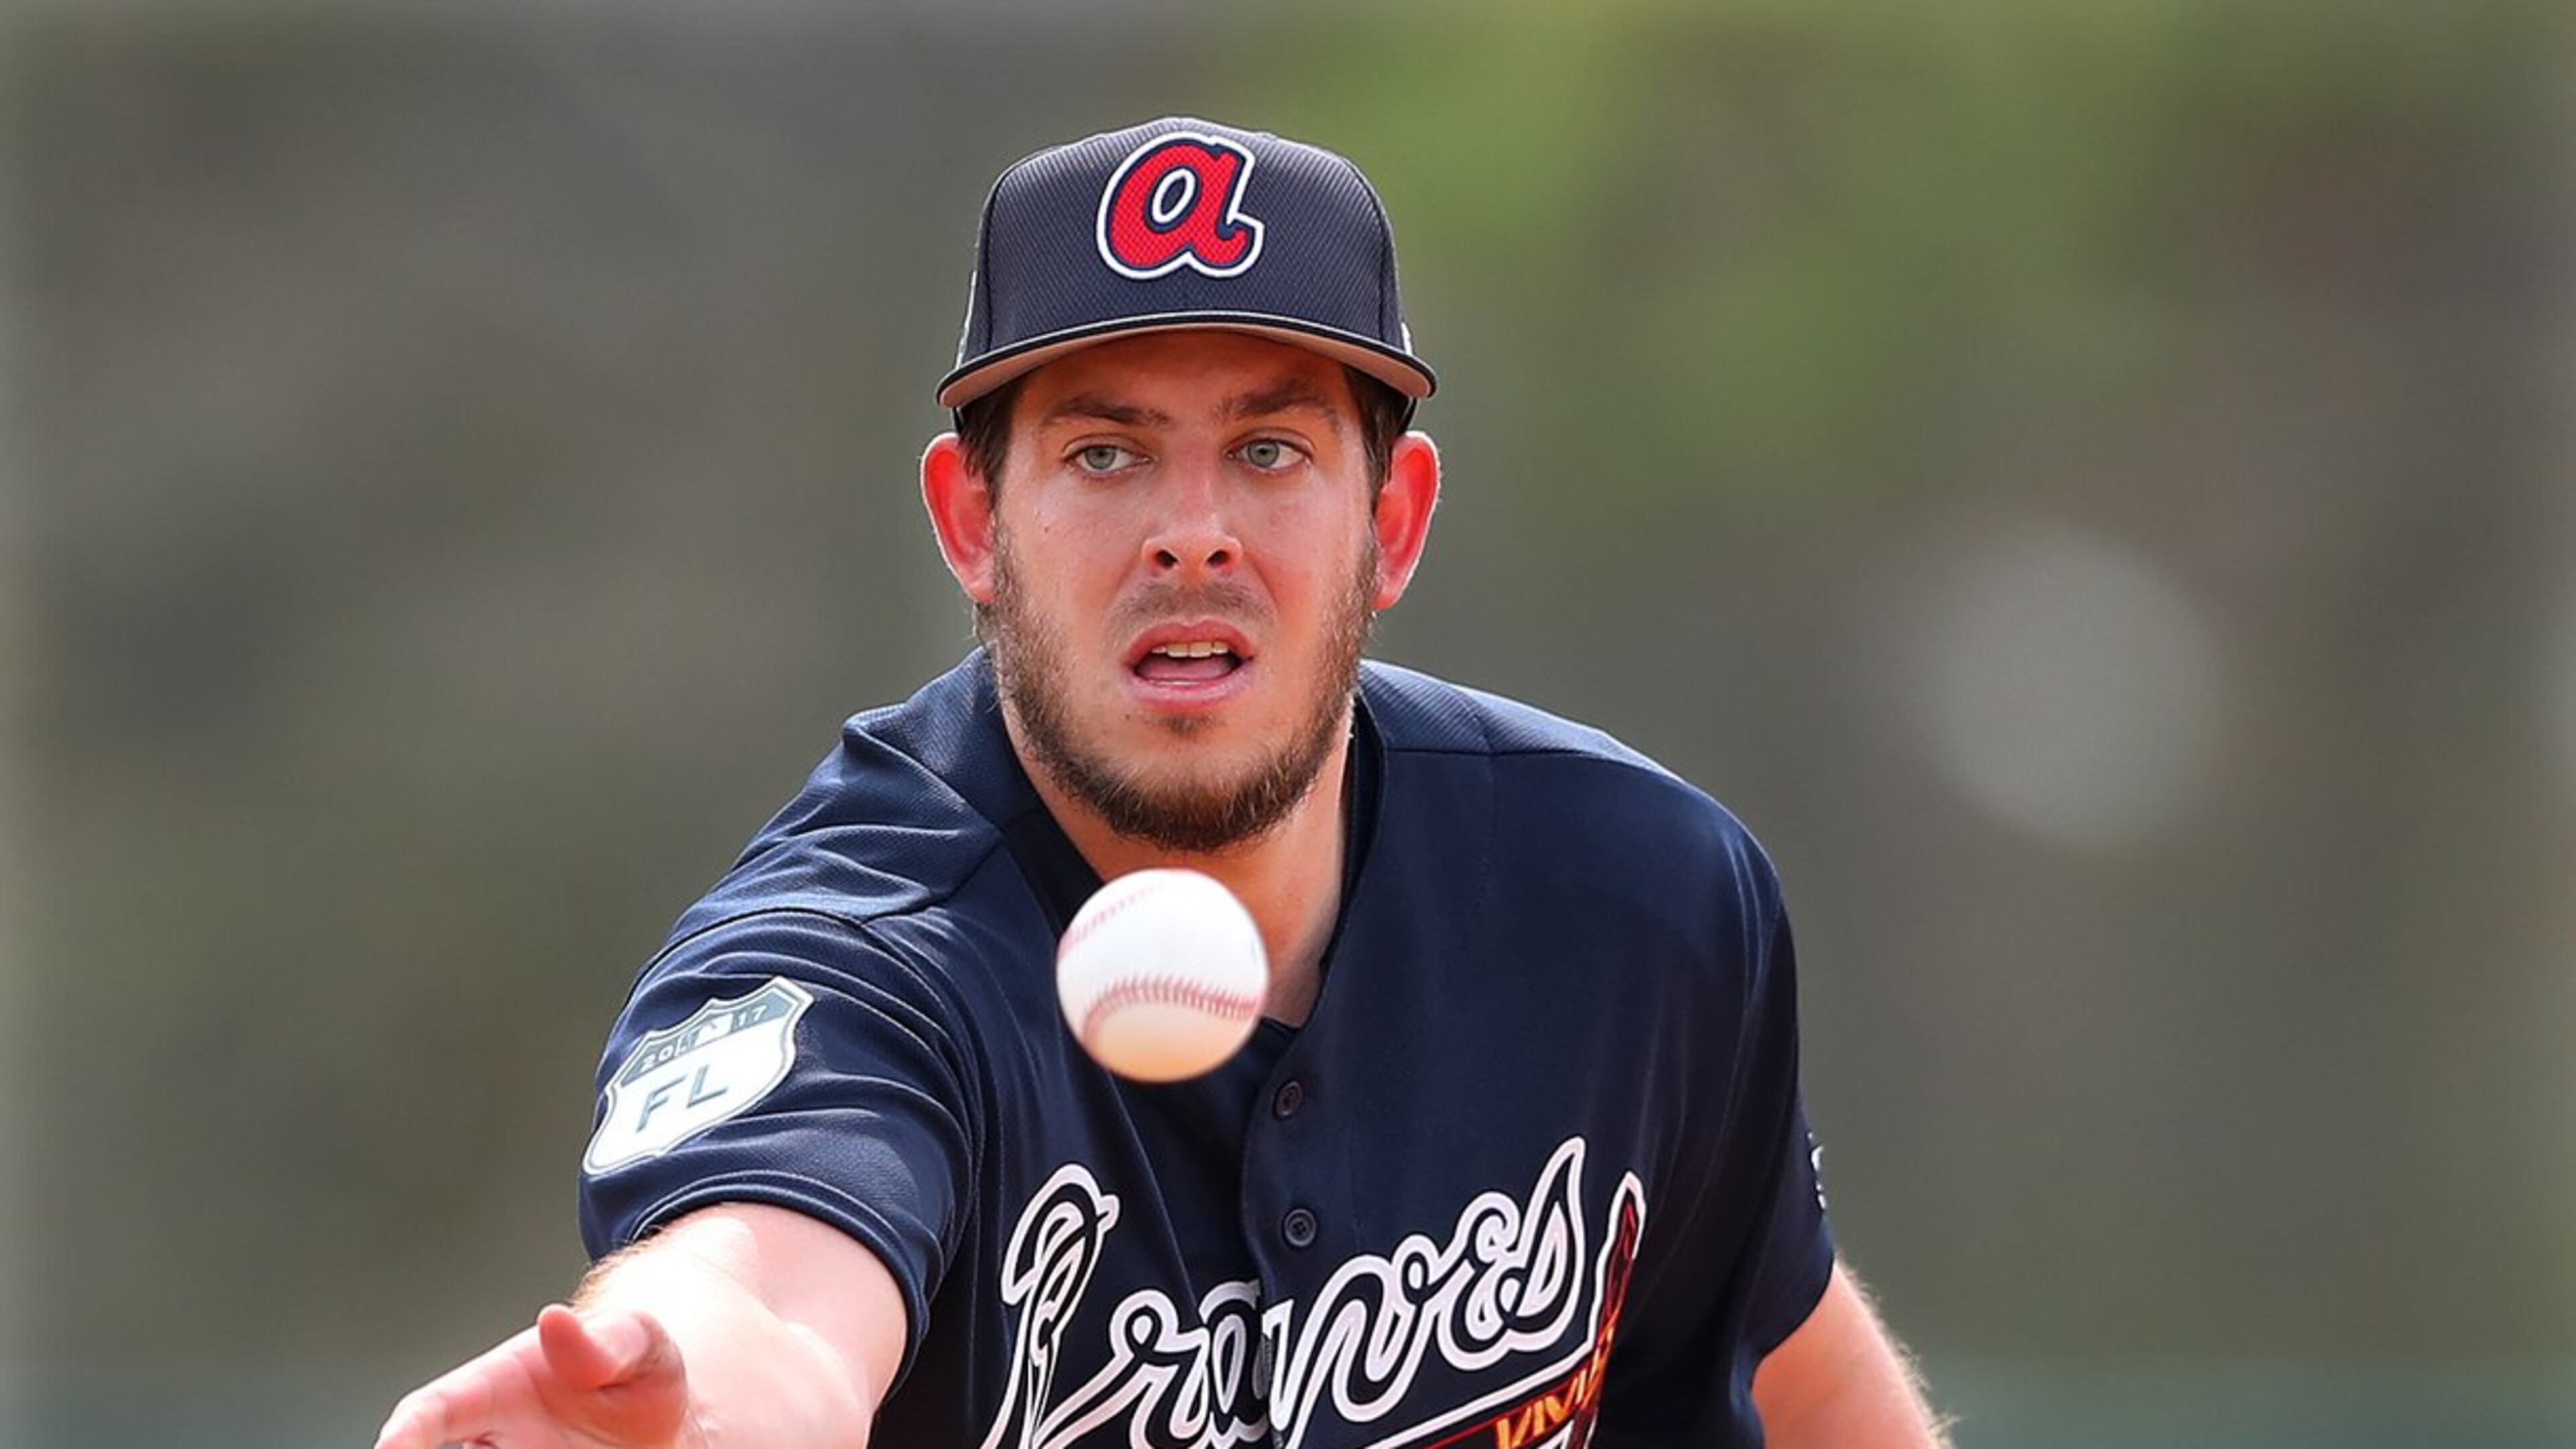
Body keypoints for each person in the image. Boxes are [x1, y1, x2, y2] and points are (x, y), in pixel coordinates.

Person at [376, 117, 1949, 1449]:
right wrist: (706, 1400)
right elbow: (763, 1291)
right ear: (972, 524)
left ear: (1392, 525)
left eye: (1269, 452)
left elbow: (1795, 1362)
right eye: (1105, 454)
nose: (1191, 533)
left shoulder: (1635, 902)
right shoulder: (862, 956)